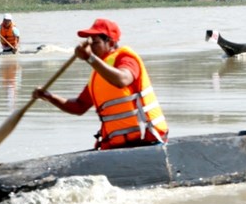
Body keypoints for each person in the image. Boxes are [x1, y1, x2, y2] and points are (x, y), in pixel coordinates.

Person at [32, 18, 169, 150]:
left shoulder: (126, 58)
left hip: (148, 141)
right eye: (89, 43)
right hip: (119, 145)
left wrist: (89, 58)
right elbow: (79, 106)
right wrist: (49, 97)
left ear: (109, 42)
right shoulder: (98, 74)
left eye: (95, 42)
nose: (90, 47)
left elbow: (122, 80)